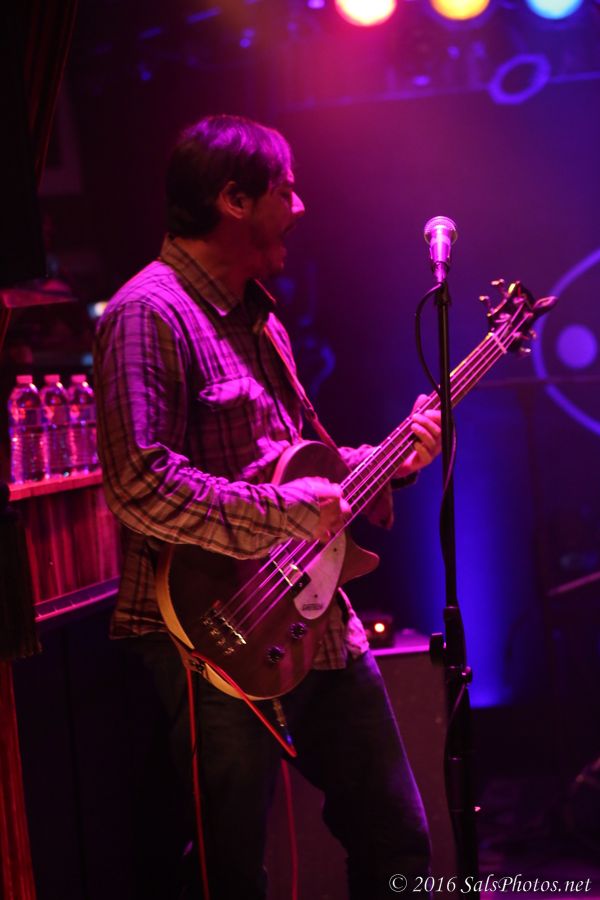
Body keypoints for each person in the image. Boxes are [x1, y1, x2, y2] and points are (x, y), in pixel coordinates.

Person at [94, 114, 442, 900]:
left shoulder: (260, 318)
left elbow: (298, 469)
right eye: (286, 189)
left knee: (397, 841)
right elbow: (140, 482)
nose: (301, 206)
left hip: (310, 613)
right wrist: (285, 513)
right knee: (229, 873)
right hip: (207, 634)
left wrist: (393, 461)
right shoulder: (148, 313)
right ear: (234, 199)